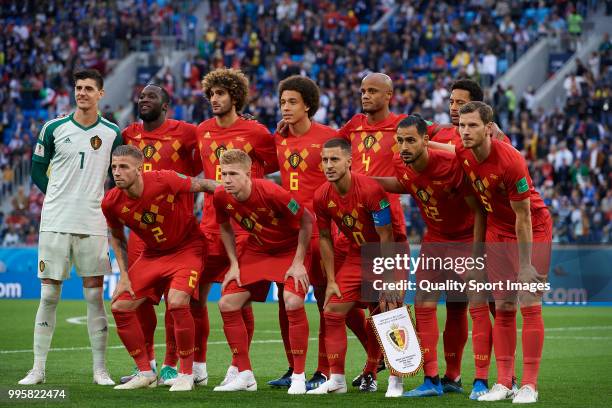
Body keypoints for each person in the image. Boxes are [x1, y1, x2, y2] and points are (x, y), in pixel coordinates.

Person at [374, 115, 495, 399]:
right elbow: (404, 184)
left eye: (410, 140)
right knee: (424, 306)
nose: (403, 147)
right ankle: (431, 380)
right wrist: (358, 178)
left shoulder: (452, 166)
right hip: (435, 240)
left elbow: (478, 210)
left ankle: (481, 381)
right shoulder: (400, 165)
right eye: (400, 141)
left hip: (465, 241)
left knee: (477, 307)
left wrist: (478, 257)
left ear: (426, 141)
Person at [20, 69, 121, 386]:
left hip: (92, 222)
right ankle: (38, 369)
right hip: (55, 221)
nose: (82, 93)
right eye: (78, 88)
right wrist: (57, 196)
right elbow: (37, 170)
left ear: (100, 94)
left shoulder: (112, 133)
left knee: (94, 297)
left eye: (89, 88)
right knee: (48, 294)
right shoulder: (53, 128)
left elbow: (122, 172)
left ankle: (100, 370)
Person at [271, 75, 367, 390]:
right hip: (290, 233)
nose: (286, 107)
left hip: (324, 232)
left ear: (308, 105)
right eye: (283, 101)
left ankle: (326, 370)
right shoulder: (279, 137)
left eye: (293, 102)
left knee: (328, 300)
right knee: (288, 301)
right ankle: (293, 366)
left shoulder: (330, 138)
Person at [456, 102, 552, 404]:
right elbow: (445, 151)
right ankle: (503, 382)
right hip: (497, 230)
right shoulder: (462, 153)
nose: (466, 131)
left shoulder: (511, 161)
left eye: (473, 125)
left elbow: (523, 217)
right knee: (505, 306)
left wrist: (525, 266)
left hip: (532, 229)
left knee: (529, 303)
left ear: (489, 128)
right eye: (462, 125)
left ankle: (529, 385)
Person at [101, 145, 217, 391]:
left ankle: (185, 373)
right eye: (114, 167)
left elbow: (206, 185)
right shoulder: (111, 201)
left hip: (188, 248)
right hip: (153, 254)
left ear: (139, 169)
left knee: (176, 301)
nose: (117, 172)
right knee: (121, 305)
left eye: (123, 167)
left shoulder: (164, 180)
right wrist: (123, 276)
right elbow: (117, 237)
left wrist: (239, 196)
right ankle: (145, 372)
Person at [196, 68, 278, 388]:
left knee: (235, 298)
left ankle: (239, 368)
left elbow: (275, 163)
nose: (214, 99)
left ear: (235, 96)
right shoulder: (201, 130)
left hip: (246, 227)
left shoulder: (256, 133)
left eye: (220, 93)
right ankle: (198, 367)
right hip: (209, 225)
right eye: (211, 94)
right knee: (193, 297)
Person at [120, 84, 202, 386]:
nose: (143, 99)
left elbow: (212, 144)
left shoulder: (186, 132)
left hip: (176, 231)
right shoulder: (128, 134)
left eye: (151, 96)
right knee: (138, 301)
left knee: (175, 300)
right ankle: (148, 365)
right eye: (140, 96)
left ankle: (171, 364)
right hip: (139, 232)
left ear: (166, 105)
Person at [308, 138, 403, 397]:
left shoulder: (371, 190)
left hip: (387, 253)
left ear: (349, 162)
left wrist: (389, 278)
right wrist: (331, 280)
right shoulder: (321, 196)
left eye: (334, 159)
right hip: (355, 254)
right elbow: (325, 238)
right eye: (325, 160)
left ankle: (396, 381)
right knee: (333, 310)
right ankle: (336, 379)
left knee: (388, 310)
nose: (328, 165)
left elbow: (386, 236)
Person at [212, 149, 312, 394]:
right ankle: (245, 375)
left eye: (233, 174)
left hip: (289, 249)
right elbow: (224, 227)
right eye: (223, 174)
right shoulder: (220, 195)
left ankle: (298, 376)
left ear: (248, 174)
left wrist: (298, 262)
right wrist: (234, 264)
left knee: (291, 302)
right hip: (258, 250)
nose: (226, 179)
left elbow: (307, 221)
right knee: (227, 303)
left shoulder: (271, 191)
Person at [336, 72, 411, 389]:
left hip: (385, 229)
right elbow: (327, 144)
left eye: (372, 91)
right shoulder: (353, 126)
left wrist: (366, 184)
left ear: (389, 95)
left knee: (388, 305)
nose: (365, 95)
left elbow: (413, 173)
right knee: (348, 305)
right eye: (362, 90)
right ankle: (372, 359)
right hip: (351, 231)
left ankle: (396, 375)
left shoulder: (403, 127)